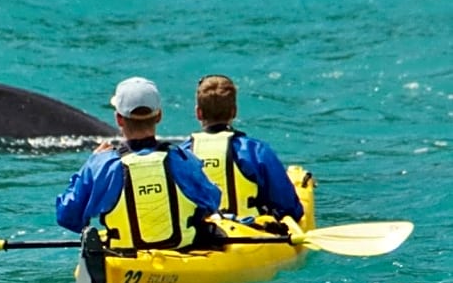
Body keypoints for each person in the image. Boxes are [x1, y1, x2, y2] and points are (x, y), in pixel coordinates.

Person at [56, 77, 222, 250]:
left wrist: (90, 163)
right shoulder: (184, 160)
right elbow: (212, 202)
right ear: (159, 116)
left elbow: (68, 217)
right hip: (181, 254)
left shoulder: (101, 166)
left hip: (124, 258)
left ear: (119, 119)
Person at [182, 75, 303, 222]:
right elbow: (290, 208)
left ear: (198, 113)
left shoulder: (181, 154)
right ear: (234, 112)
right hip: (249, 234)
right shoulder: (255, 151)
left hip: (201, 236)